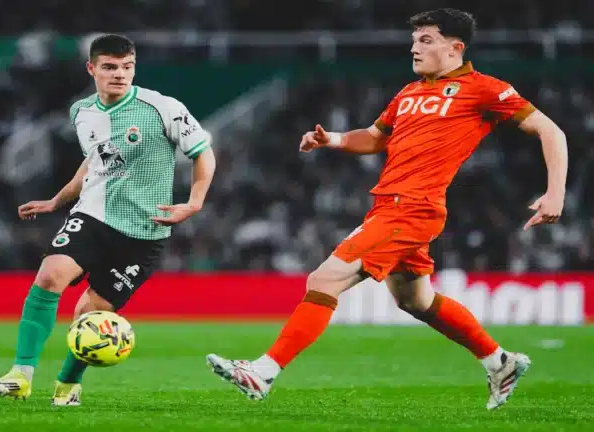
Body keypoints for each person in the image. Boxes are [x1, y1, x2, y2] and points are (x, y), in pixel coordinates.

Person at [207, 8, 567, 411]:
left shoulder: (484, 89)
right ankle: (499, 362)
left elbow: (550, 130)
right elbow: (377, 137)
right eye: (414, 40)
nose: (415, 48)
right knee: (415, 301)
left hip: (412, 209)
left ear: (455, 48)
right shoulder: (409, 93)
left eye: (426, 40)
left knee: (325, 278)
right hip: (390, 205)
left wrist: (555, 193)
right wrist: (335, 139)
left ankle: (264, 371)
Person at [0, 34, 216, 405]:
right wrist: (57, 200)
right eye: (110, 67)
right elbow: (96, 160)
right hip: (94, 215)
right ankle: (20, 376)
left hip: (145, 232)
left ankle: (66, 385)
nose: (120, 74)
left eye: (127, 67)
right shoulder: (81, 112)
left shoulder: (163, 107)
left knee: (90, 314)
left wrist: (195, 202)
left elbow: (204, 154)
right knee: (49, 275)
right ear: (92, 69)